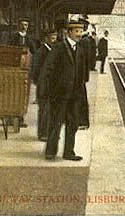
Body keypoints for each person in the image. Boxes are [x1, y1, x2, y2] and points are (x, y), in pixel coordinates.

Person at [39, 19, 90, 161]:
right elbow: (48, 68)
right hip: (59, 94)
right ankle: (50, 151)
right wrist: (45, 90)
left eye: (80, 31)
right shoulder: (59, 48)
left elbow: (83, 72)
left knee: (72, 125)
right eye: (77, 31)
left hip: (74, 95)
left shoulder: (80, 50)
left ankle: (69, 152)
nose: (79, 34)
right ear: (69, 33)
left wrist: (81, 88)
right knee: (56, 123)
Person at [31, 28, 58, 141]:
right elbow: (35, 70)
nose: (54, 40)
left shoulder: (53, 50)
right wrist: (40, 84)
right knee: (44, 110)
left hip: (51, 85)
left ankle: (47, 133)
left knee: (50, 110)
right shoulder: (40, 52)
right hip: (44, 86)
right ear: (45, 39)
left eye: (55, 38)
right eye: (52, 38)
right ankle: (42, 134)